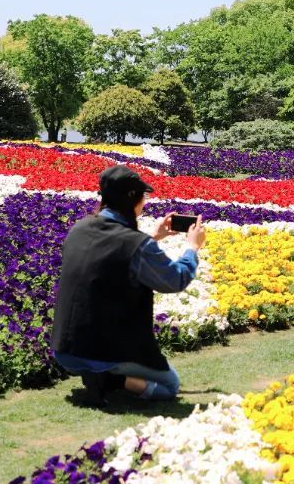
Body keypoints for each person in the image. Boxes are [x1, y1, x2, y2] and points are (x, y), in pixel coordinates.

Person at [52, 165, 206, 407]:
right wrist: (192, 248)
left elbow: (111, 257)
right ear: (133, 198)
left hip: (64, 349)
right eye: (143, 196)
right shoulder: (137, 245)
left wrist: (152, 238)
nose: (145, 202)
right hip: (104, 350)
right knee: (170, 385)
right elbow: (176, 279)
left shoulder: (79, 229)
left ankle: (97, 374)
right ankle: (108, 380)